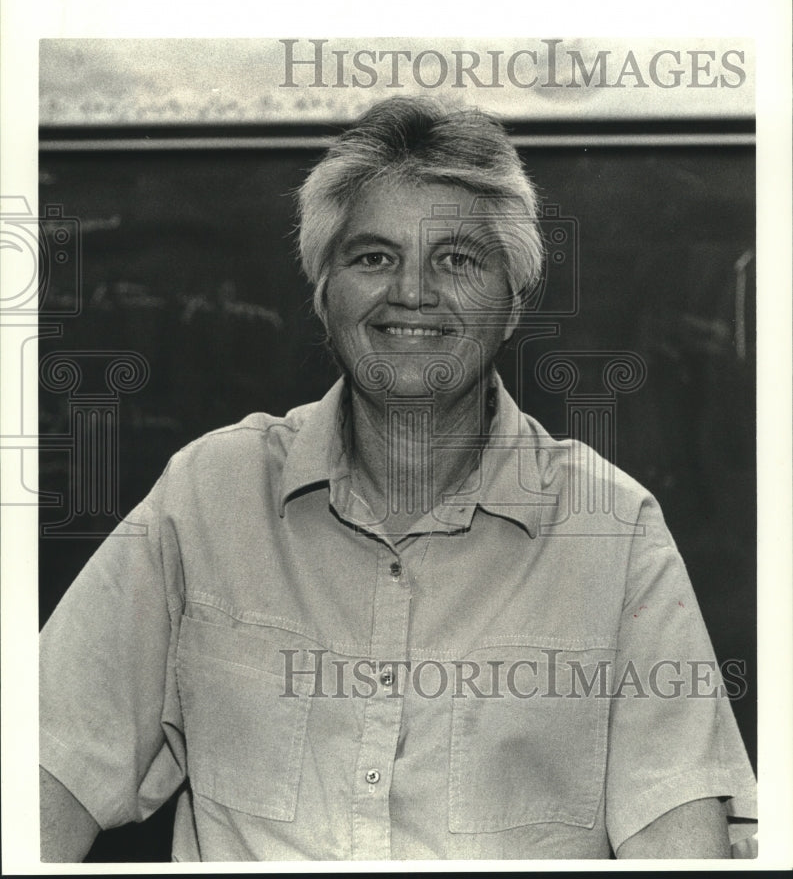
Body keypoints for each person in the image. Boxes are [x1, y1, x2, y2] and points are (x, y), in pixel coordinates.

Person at [40, 97, 757, 862]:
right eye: (372, 257)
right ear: (323, 293)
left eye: (457, 259)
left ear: (514, 303)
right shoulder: (208, 493)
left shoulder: (612, 531)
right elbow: (47, 767)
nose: (411, 291)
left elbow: (679, 844)